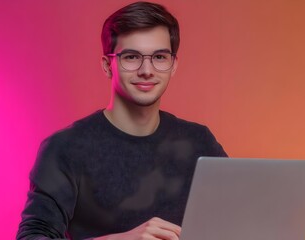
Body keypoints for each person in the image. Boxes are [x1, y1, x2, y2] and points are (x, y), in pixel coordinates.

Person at [17, 1, 227, 239]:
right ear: (108, 66)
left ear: (173, 65)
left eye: (159, 56)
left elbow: (238, 218)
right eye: (131, 57)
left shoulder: (200, 142)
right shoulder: (65, 148)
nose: (147, 70)